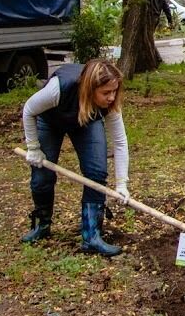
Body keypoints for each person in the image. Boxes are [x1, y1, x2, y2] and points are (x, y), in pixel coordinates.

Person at [20, 59, 131, 257]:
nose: (111, 97)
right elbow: (28, 110)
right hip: (51, 120)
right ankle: (43, 225)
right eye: (106, 92)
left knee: (96, 172)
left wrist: (122, 184)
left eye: (114, 91)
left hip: (87, 120)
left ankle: (91, 236)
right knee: (42, 176)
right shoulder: (59, 89)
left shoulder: (110, 103)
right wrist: (34, 148)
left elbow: (120, 142)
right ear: (90, 88)